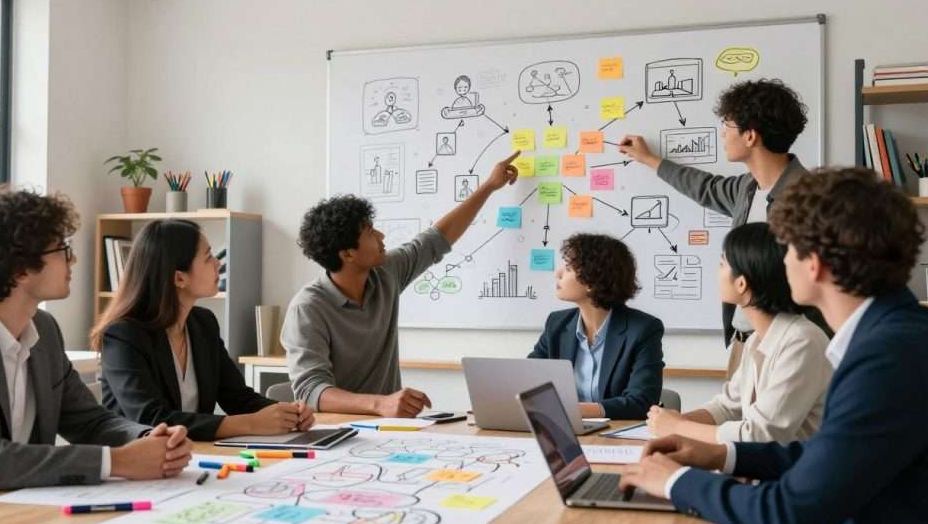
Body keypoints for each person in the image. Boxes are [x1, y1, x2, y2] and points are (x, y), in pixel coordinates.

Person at [620, 168, 928, 524]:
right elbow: (831, 456)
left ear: (815, 263)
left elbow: (786, 518)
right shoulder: (903, 332)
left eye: (788, 248)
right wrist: (720, 456)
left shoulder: (888, 358)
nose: (781, 261)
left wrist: (674, 481)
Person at [0, 190, 192, 501]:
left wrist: (150, 438)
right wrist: (118, 461)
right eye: (63, 249)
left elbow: (89, 421)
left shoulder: (44, 330)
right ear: (20, 268)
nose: (73, 259)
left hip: (21, 507)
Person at [283, 151, 521, 416]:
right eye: (370, 232)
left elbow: (436, 239)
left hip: (389, 430)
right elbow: (310, 390)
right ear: (347, 254)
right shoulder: (307, 308)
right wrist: (379, 403)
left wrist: (489, 186)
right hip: (336, 433)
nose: (381, 235)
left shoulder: (386, 273)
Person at [619, 79, 822, 346]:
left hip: (787, 345)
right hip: (743, 341)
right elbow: (703, 187)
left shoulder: (811, 199)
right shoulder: (746, 189)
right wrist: (649, 159)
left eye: (727, 125)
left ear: (750, 136)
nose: (723, 134)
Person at [94, 219, 314, 441]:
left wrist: (288, 413)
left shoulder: (203, 324)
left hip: (191, 455)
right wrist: (250, 424)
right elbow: (151, 418)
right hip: (137, 464)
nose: (218, 264)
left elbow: (237, 397)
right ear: (179, 278)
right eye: (208, 257)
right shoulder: (123, 335)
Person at [646, 222, 831, 444]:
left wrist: (678, 427)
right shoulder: (756, 338)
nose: (717, 272)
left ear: (741, 283)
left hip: (793, 473)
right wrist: (675, 421)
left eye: (722, 264)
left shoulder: (802, 341)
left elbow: (760, 435)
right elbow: (726, 407)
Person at [528, 233, 663, 419]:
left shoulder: (643, 329)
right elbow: (528, 378)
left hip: (616, 439)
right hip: (564, 430)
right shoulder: (557, 324)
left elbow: (641, 402)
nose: (557, 273)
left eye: (567, 268)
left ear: (590, 281)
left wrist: (574, 411)